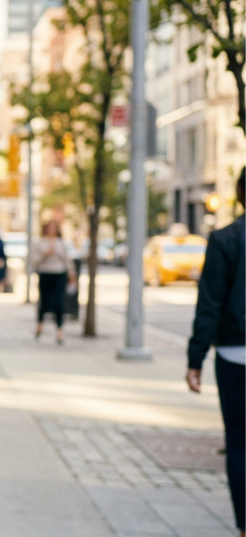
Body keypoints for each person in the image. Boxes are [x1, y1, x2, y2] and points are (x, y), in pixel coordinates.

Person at [186, 166, 245, 537]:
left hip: (235, 354)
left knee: (239, 442)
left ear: (239, 194)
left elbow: (209, 303)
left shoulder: (225, 239)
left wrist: (195, 359)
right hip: (233, 352)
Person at [29, 220, 75, 345]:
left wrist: (71, 273)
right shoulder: (40, 242)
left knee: (59, 303)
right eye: (49, 227)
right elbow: (33, 260)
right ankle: (39, 326)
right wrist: (45, 254)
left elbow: (67, 259)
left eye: (54, 228)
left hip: (59, 274)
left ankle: (59, 331)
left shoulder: (61, 242)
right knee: (44, 302)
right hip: (45, 273)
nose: (52, 230)